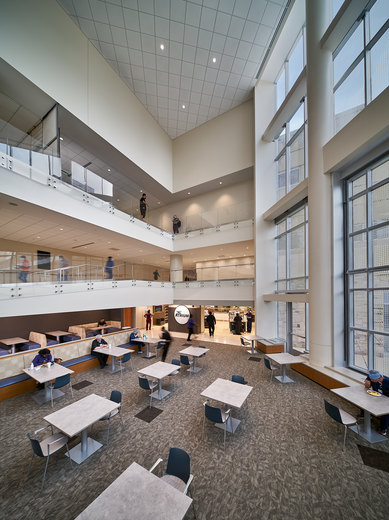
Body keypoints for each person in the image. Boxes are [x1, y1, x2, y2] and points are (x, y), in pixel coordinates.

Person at [364, 369, 389, 435]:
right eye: (371, 379)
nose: (372, 381)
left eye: (373, 380)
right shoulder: (371, 377)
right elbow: (367, 385)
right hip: (377, 397)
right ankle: (365, 416)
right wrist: (367, 383)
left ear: (379, 378)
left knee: (385, 411)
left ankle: (383, 429)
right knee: (364, 400)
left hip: (386, 399)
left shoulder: (387, 382)